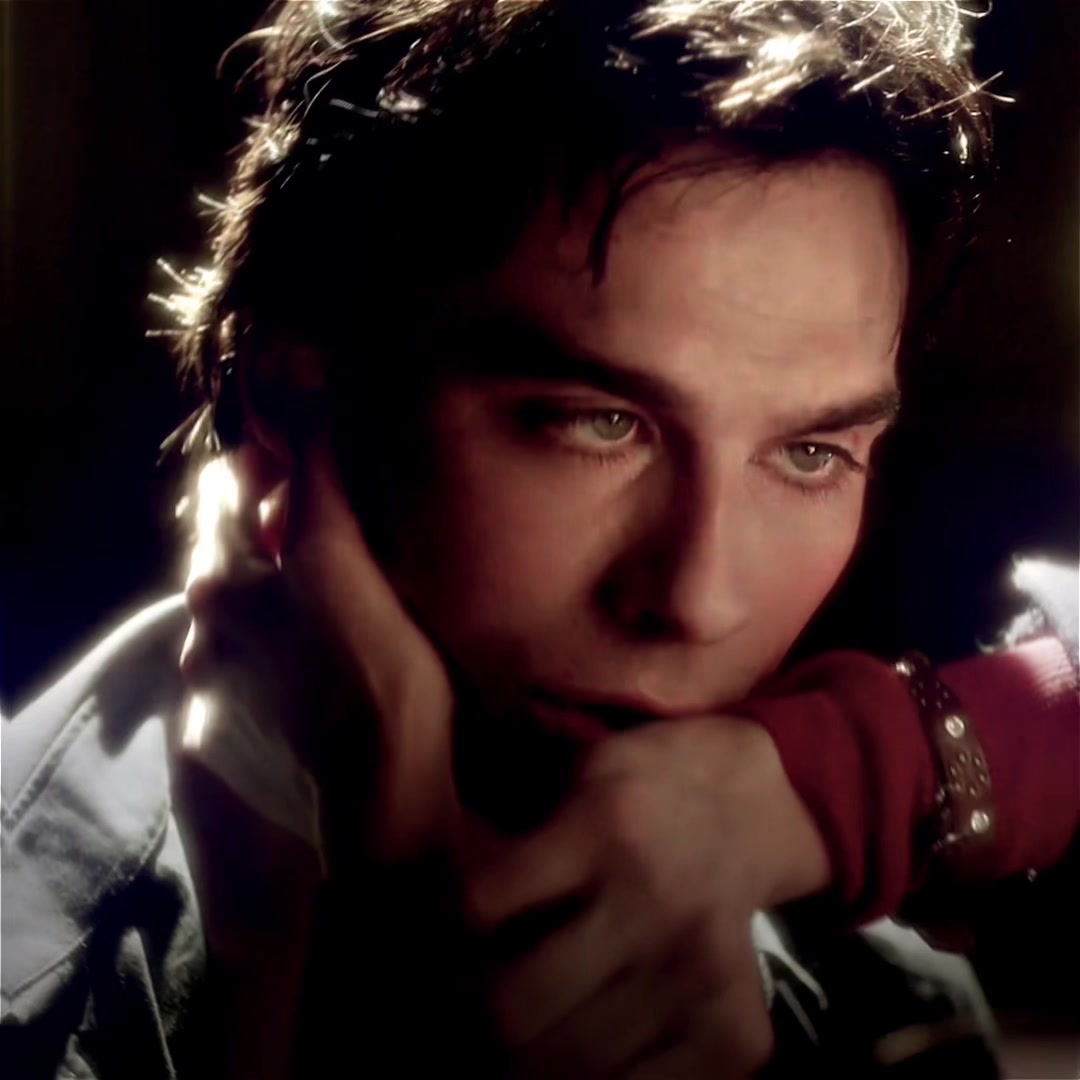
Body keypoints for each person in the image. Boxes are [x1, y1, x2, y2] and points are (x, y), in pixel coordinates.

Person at [1, 1, 1076, 1078]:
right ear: (291, 399)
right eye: (595, 424)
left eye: (808, 454)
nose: (698, 598)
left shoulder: (884, 1004)